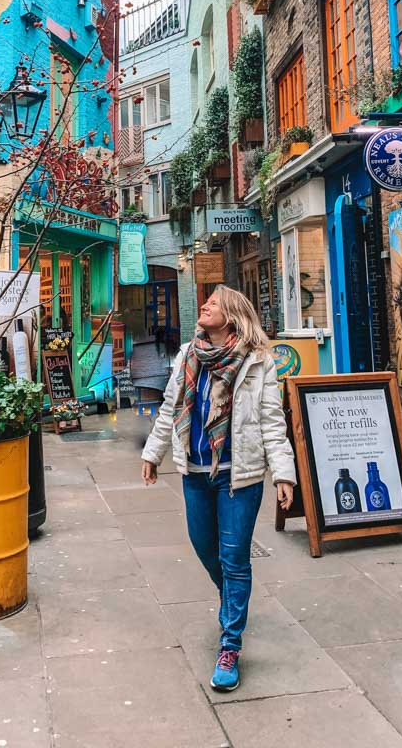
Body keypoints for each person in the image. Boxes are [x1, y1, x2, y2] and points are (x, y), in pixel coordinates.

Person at [141, 285, 296, 692]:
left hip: (238, 476)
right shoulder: (188, 356)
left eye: (212, 303)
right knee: (204, 547)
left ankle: (229, 644)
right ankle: (233, 603)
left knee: (234, 558)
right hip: (195, 471)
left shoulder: (258, 362)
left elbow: (271, 422)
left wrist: (283, 474)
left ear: (230, 315)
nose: (204, 307)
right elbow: (171, 408)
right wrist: (152, 453)